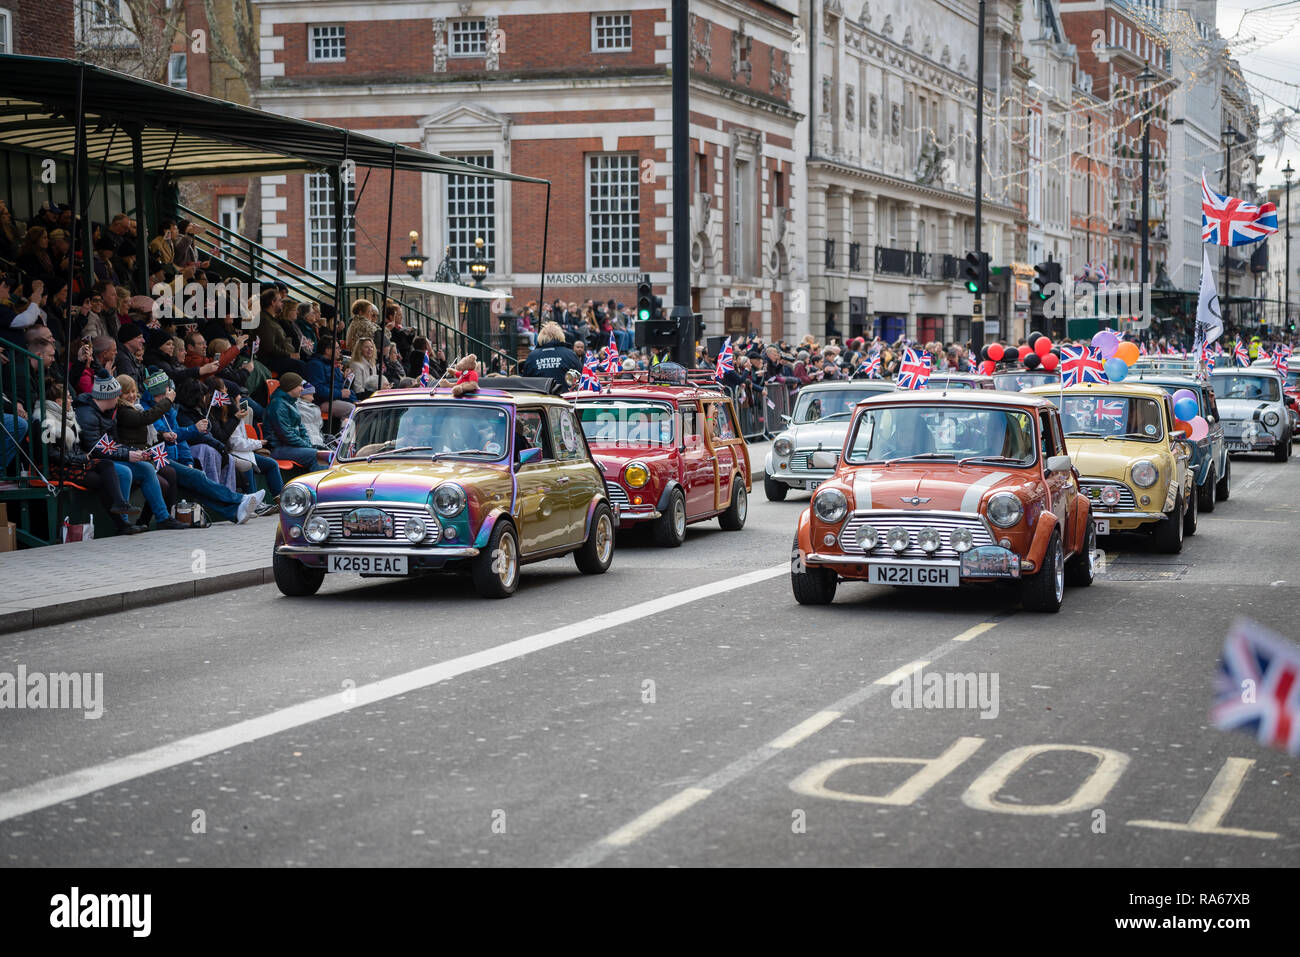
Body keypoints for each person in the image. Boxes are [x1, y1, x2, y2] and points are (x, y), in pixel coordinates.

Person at [265, 373, 329, 470]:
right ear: (291, 387)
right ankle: (316, 485)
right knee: (318, 456)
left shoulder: (291, 402)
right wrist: (307, 446)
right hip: (278, 448)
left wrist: (308, 444)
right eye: (300, 386)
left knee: (326, 454)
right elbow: (286, 435)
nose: (302, 389)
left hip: (291, 447)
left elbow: (302, 428)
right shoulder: (277, 405)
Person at [522, 322, 582, 390]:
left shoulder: (532, 356)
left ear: (541, 336)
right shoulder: (570, 354)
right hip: (565, 398)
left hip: (540, 398)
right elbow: (581, 376)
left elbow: (526, 381)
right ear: (561, 335)